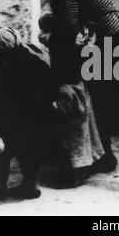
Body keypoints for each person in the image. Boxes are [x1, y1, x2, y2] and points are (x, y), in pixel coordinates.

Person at [37, 0, 119, 172]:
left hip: (104, 46)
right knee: (107, 98)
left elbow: (69, 27)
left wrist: (49, 34)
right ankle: (104, 153)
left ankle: (104, 157)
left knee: (95, 99)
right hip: (116, 41)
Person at [0, 28, 54, 200]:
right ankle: (30, 185)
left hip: (7, 121)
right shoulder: (33, 57)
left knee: (1, 154)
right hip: (32, 120)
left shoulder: (1, 65)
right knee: (29, 151)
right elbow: (50, 87)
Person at [38, 13, 105, 187]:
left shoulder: (56, 43)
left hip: (68, 92)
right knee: (82, 135)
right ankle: (87, 165)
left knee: (71, 139)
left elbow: (57, 68)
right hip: (79, 89)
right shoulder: (71, 42)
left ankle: (72, 175)